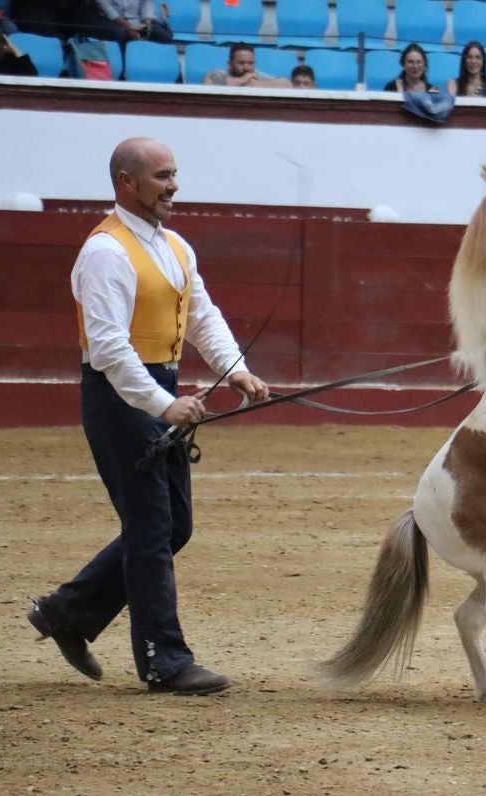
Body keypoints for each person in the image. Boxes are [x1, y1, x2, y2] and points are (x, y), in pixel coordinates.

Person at [28, 137, 269, 696]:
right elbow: (110, 349)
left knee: (172, 526)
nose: (173, 185)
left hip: (157, 389)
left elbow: (202, 312)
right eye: (161, 176)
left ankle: (67, 612)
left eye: (174, 174)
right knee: (151, 531)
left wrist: (234, 368)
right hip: (119, 397)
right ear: (125, 183)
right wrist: (164, 404)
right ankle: (165, 659)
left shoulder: (175, 247)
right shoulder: (106, 253)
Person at [203, 43, 292, 88]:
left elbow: (286, 84)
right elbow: (209, 82)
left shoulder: (258, 75)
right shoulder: (219, 73)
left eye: (250, 63)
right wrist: (243, 80)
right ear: (230, 64)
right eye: (241, 63)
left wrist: (254, 84)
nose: (246, 67)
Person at [94, 0, 174, 44]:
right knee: (121, 34)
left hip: (139, 18)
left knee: (164, 36)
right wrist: (129, 27)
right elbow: (107, 9)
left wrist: (147, 25)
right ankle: (122, 68)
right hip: (113, 20)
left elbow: (147, 3)